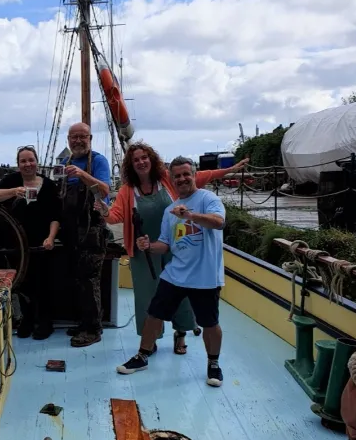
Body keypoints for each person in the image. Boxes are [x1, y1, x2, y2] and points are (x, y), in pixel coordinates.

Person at [96, 142, 247, 354]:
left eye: (144, 158)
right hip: (145, 249)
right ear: (130, 165)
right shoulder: (126, 191)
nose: (141, 162)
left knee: (182, 294)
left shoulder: (168, 179)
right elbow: (115, 216)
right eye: (135, 160)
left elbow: (202, 176)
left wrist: (229, 170)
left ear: (152, 160)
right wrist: (104, 212)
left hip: (176, 247)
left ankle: (181, 333)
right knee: (147, 297)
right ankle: (151, 339)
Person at [115, 156, 226, 387]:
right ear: (172, 179)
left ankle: (213, 364)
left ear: (194, 175)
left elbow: (218, 222)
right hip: (176, 274)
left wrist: (191, 216)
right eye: (177, 176)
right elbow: (165, 245)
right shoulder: (169, 211)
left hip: (205, 277)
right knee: (154, 314)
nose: (182, 179)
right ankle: (143, 355)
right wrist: (148, 245)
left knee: (210, 322)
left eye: (186, 174)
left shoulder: (208, 199)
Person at [0, 145, 61, 339]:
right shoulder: (12, 181)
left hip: (41, 243)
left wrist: (51, 237)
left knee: (43, 283)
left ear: (36, 162)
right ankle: (27, 320)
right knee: (21, 283)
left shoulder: (48, 185)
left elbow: (55, 215)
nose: (28, 164)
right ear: (18, 164)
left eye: (31, 160)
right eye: (23, 161)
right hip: (16, 244)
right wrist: (15, 191)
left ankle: (45, 322)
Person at [57, 122, 111, 347]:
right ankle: (84, 322)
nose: (78, 141)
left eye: (82, 137)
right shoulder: (65, 162)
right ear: (68, 140)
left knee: (90, 281)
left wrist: (81, 175)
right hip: (71, 230)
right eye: (73, 137)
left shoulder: (98, 161)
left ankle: (93, 328)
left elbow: (105, 190)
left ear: (90, 139)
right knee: (77, 280)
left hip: (92, 229)